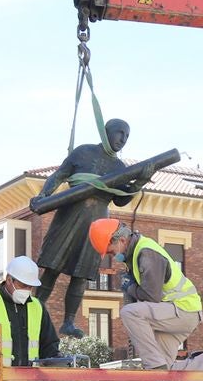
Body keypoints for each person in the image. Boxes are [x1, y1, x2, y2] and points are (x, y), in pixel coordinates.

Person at [33, 118, 139, 338]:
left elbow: (120, 201)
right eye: (120, 133)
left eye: (127, 136)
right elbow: (59, 175)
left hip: (98, 222)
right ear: (105, 132)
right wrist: (43, 195)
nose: (123, 139)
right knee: (52, 266)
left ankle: (69, 321)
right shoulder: (83, 153)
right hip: (70, 213)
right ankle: (35, 308)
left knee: (82, 273)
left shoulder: (120, 168)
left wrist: (138, 184)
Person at [88, 219, 203, 369]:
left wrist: (130, 287)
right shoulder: (136, 254)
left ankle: (154, 367)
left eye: (111, 252)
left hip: (183, 310)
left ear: (122, 240)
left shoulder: (147, 254)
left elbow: (151, 296)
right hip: (181, 313)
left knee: (130, 313)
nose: (112, 257)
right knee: (165, 369)